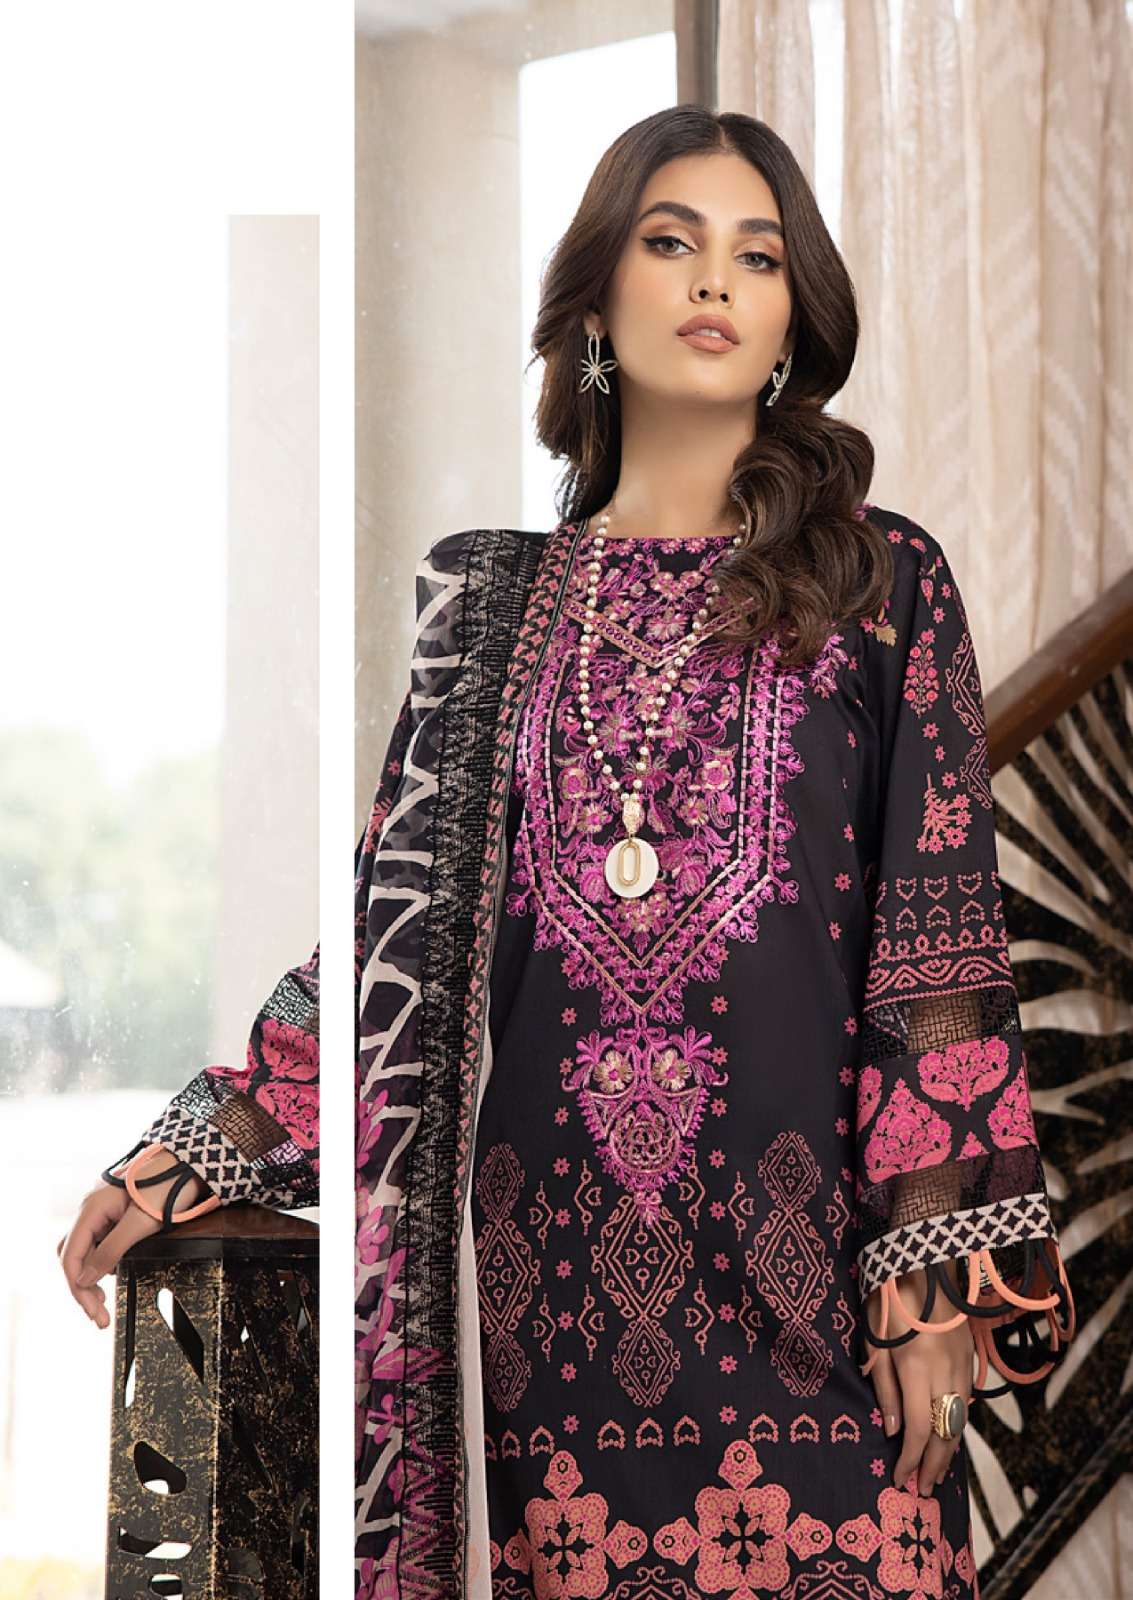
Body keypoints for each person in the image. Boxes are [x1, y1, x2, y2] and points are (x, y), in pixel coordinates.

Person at [354, 108, 1075, 1599]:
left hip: (811, 1280)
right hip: (549, 1306)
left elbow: (937, 932)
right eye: (670, 242)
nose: (714, 282)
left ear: (792, 317)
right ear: (595, 299)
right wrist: (223, 1123)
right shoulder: (487, 604)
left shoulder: (879, 580)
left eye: (757, 257)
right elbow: (393, 935)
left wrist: (929, 1271)